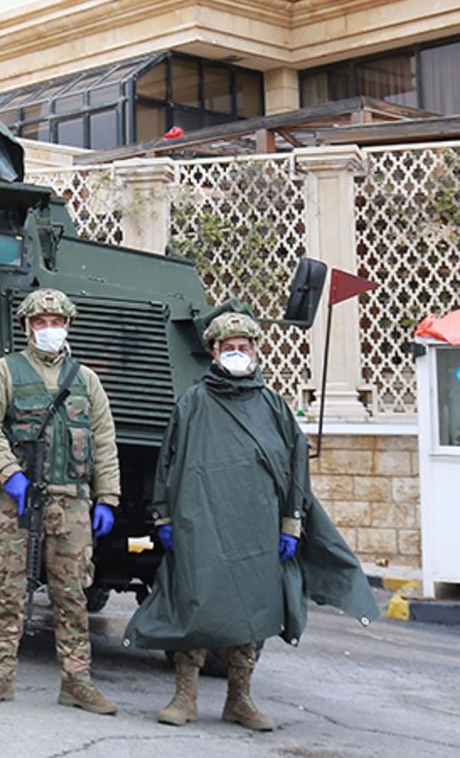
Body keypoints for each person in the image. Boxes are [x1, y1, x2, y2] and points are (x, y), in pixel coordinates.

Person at [123, 312, 377, 731]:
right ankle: (184, 697)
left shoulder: (273, 406)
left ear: (255, 351)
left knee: (252, 609)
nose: (237, 355)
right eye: (229, 348)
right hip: (201, 524)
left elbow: (296, 468)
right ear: (214, 353)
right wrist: (163, 516)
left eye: (244, 348)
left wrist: (291, 524)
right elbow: (167, 463)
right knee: (196, 603)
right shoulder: (193, 402)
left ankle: (239, 699)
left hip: (257, 527)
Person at [0, 288, 120, 713]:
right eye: (41, 322)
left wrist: (107, 497)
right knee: (8, 590)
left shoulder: (85, 380)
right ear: (27, 327)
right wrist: (9, 474)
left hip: (71, 503)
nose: (49, 329)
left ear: (67, 326)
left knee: (72, 595)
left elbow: (104, 441)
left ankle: (77, 682)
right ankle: (0, 677)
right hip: (18, 501)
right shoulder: (5, 372)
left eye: (56, 322)